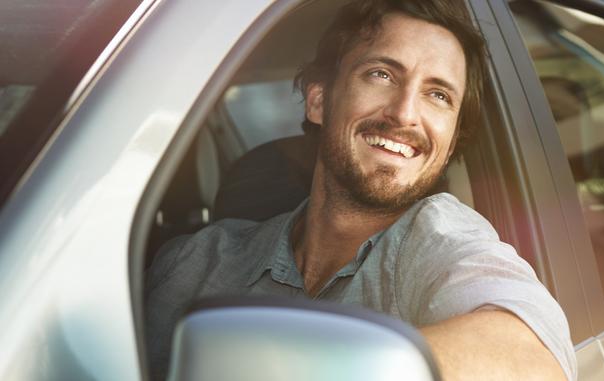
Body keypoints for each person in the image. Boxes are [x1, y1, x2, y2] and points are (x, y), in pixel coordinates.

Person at [144, 0, 576, 380]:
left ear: (449, 145)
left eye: (438, 95)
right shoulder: (195, 261)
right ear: (318, 100)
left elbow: (534, 359)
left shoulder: (440, 240)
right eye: (382, 73)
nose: (405, 113)